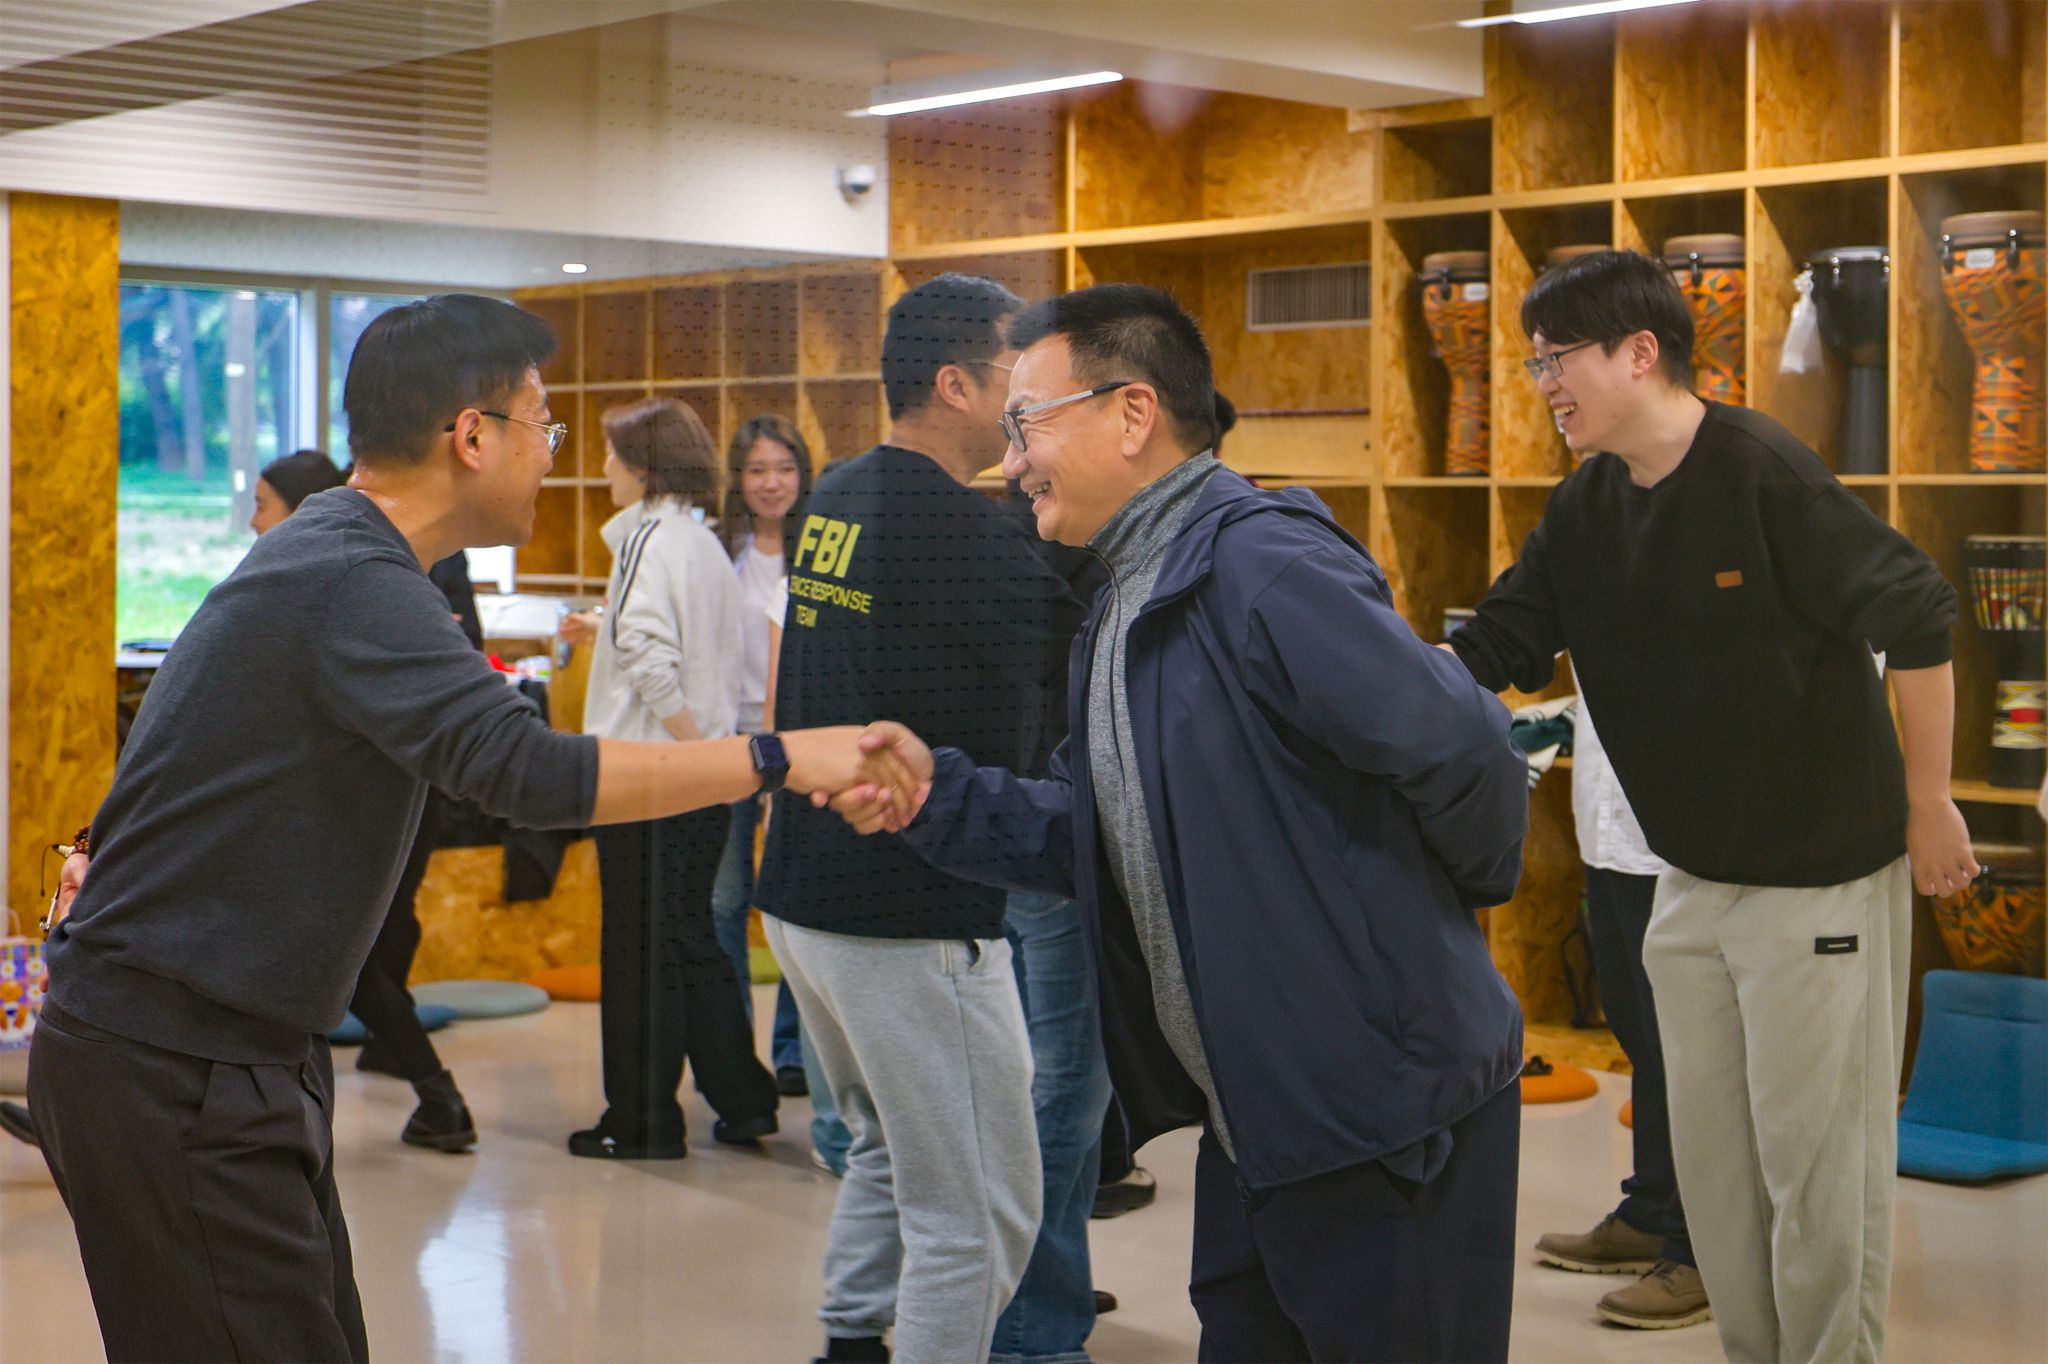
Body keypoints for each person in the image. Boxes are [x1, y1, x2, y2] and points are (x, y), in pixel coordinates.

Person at [29, 293, 917, 1364]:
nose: (553, 455)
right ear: (471, 435)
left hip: (225, 1044)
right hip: (173, 1055)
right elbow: (526, 771)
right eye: (543, 425)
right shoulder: (349, 573)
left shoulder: (348, 557)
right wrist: (776, 757)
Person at [844, 283, 1531, 1363]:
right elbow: (1089, 825)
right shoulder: (1125, 594)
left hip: (1385, 1117)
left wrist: (1429, 925)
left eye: (1026, 425)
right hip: (1258, 1120)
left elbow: (1468, 745)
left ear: (1132, 413)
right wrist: (936, 797)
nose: (1009, 462)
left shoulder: (1262, 567)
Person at [1444, 250, 1969, 1363]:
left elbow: (1919, 610)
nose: (1543, 382)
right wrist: (1352, 684)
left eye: (1557, 357)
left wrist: (1930, 800)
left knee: (1815, 1171)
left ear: (1639, 352)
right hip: (1688, 878)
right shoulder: (1585, 505)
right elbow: (1496, 643)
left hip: (1819, 878)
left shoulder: (1759, 470)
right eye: (1534, 361)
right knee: (1718, 1177)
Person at [755, 272, 1081, 1364]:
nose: (1026, 405)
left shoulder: (839, 494)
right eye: (1014, 379)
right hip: (908, 913)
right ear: (955, 385)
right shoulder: (964, 532)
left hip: (806, 892)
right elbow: (1078, 658)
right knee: (979, 1212)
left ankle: (851, 1341)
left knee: (890, 1148)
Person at [250, 449, 481, 1154]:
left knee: (354, 956)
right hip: (399, 788)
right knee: (381, 937)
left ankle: (438, 1095)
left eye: (261, 506)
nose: (253, 522)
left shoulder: (362, 576)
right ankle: (402, 1059)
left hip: (379, 794)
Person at [570, 396, 779, 1159]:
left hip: (648, 774)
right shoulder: (703, 544)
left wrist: (691, 751)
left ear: (643, 466)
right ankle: (744, 1098)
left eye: (612, 454)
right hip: (702, 775)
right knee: (687, 939)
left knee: (636, 953)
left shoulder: (648, 538)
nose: (603, 468)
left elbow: (644, 652)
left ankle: (641, 1119)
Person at [1532, 684, 1703, 1329]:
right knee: (1641, 1039)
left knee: (1693, 1057)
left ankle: (1701, 1250)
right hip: (1607, 828)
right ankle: (1651, 1213)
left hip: (1684, 837)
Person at [711, 413, 815, 1096]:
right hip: (727, 745)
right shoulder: (721, 550)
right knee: (725, 902)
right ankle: (735, 1058)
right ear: (738, 480)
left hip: (798, 748)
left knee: (790, 902)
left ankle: (793, 1053)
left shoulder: (820, 548)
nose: (771, 483)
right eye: (757, 470)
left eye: (783, 468)